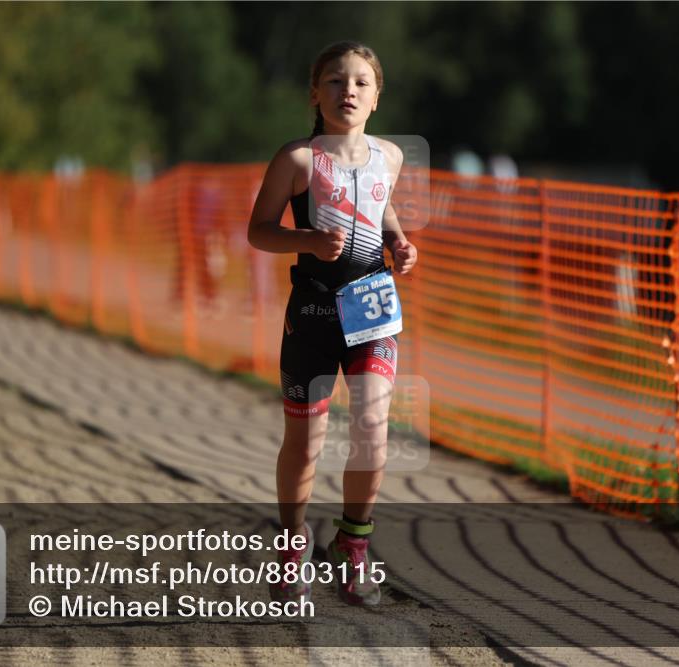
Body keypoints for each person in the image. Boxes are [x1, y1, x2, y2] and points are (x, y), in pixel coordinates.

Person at [247, 40, 418, 607]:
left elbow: (382, 202)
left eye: (361, 82)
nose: (349, 91)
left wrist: (397, 239)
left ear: (376, 98)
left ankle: (352, 546)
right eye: (336, 81)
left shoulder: (389, 156)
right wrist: (309, 242)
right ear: (315, 94)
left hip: (371, 307)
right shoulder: (297, 159)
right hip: (314, 313)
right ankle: (292, 548)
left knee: (373, 429)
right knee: (307, 441)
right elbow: (259, 231)